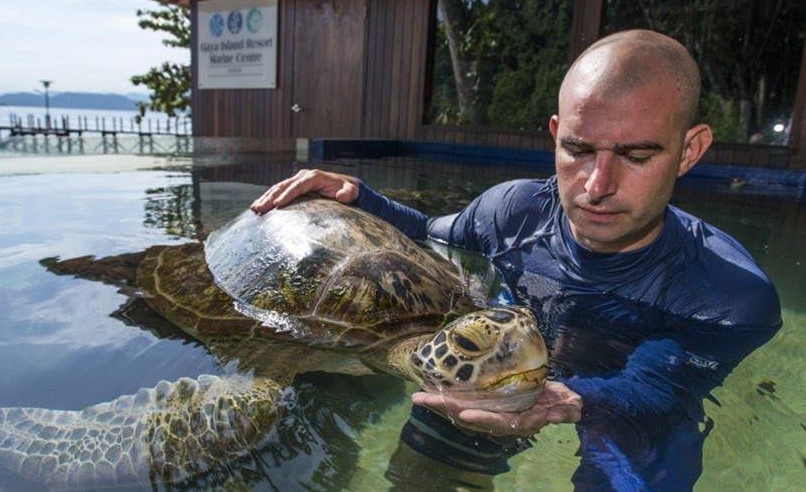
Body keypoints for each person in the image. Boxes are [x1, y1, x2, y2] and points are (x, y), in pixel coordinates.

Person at [251, 30, 781, 490]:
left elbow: (660, 392)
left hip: (633, 411)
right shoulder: (514, 212)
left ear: (690, 151)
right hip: (498, 375)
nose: (598, 186)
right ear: (554, 135)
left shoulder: (727, 296)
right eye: (577, 150)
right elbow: (433, 235)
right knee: (418, 480)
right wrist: (358, 193)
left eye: (636, 156)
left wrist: (570, 400)